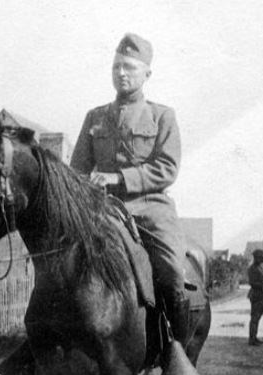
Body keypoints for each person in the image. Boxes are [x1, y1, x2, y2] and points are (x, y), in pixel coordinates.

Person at [70, 33, 189, 350]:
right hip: (101, 209)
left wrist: (117, 178)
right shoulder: (95, 117)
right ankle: (42, 346)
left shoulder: (162, 116)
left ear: (146, 73)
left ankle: (175, 352)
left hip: (149, 210)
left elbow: (167, 168)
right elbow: (77, 170)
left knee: (173, 273)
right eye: (116, 67)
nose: (121, 73)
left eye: (129, 67)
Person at [247, 249, 263, 346]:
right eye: (260, 258)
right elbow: (252, 283)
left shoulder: (259, 267)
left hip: (261, 295)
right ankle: (252, 339)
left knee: (258, 316)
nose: (262, 260)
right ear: (256, 258)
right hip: (256, 295)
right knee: (255, 317)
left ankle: (254, 337)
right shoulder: (252, 268)